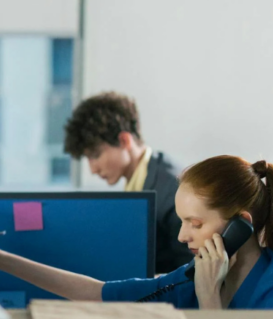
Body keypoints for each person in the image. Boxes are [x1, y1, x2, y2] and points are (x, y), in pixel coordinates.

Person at [0, 156, 273, 310]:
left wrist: (209, 299)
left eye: (196, 223)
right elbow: (95, 293)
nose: (182, 237)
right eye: (182, 221)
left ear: (241, 225)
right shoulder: (196, 276)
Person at [63, 91, 193, 274]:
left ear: (124, 140)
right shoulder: (138, 183)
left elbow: (190, 271)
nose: (93, 169)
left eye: (95, 155)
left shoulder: (173, 189)